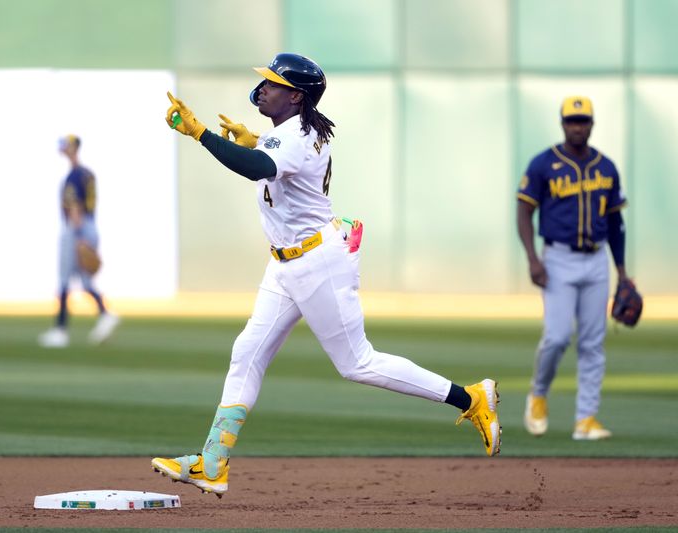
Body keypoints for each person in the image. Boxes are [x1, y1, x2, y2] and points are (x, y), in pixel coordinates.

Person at [151, 53, 501, 498]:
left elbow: (260, 167)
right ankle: (213, 462)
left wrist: (199, 133)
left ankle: (470, 398)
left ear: (296, 96)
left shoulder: (295, 135)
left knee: (357, 363)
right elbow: (275, 161)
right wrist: (256, 139)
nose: (265, 88)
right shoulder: (298, 130)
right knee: (247, 352)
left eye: (275, 83)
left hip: (317, 265)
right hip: (285, 264)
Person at [517, 96, 630, 440]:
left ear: (592, 124)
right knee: (557, 337)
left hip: (596, 260)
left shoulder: (606, 167)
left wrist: (622, 272)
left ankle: (586, 420)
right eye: (571, 121)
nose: (577, 126)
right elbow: (523, 211)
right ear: (562, 124)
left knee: (593, 343)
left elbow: (615, 223)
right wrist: (533, 258)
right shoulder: (543, 164)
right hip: (559, 259)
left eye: (583, 121)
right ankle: (538, 393)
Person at [38, 134, 119, 348]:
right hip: (90, 225)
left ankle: (60, 331)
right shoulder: (87, 174)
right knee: (85, 281)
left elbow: (75, 208)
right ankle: (105, 314)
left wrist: (78, 237)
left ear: (73, 148)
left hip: (78, 229)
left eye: (66, 146)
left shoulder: (73, 177)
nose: (63, 148)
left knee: (64, 280)